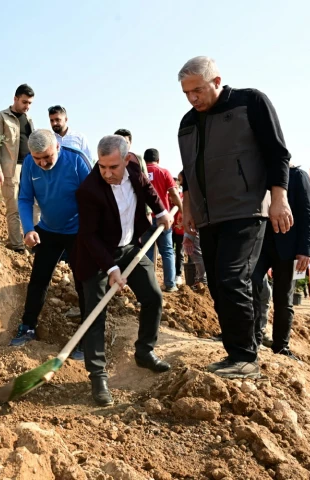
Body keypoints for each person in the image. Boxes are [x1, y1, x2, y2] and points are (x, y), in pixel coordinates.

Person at [177, 56, 293, 379]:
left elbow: (277, 152)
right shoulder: (187, 124)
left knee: (232, 277)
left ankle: (246, 357)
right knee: (216, 283)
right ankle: (234, 355)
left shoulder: (250, 102)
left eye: (197, 90)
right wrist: (188, 207)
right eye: (186, 93)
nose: (192, 98)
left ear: (216, 81)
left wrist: (279, 198)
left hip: (245, 209)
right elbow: (189, 171)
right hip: (207, 217)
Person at [73, 135, 173, 406]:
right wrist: (112, 268)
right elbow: (89, 237)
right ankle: (98, 377)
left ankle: (144, 352)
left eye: (113, 167)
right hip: (97, 258)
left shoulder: (134, 169)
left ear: (127, 159)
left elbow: (148, 190)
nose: (106, 173)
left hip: (130, 247)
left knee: (153, 296)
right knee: (95, 314)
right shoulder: (89, 190)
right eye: (102, 166)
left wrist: (161, 211)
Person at [9, 130, 90, 357]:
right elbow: (25, 198)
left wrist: (90, 233)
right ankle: (28, 327)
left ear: (57, 147)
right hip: (48, 230)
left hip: (78, 231)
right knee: (38, 280)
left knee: (83, 284)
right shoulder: (29, 163)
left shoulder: (76, 160)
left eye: (47, 157)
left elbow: (95, 197)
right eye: (38, 158)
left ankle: (87, 337)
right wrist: (29, 228)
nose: (43, 163)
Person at [252, 164, 310, 359]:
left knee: (284, 299)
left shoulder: (298, 176)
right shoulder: (259, 174)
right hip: (259, 246)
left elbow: (308, 214)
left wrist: (305, 250)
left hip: (288, 249)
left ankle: (281, 346)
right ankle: (252, 340)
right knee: (250, 287)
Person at [0, 84, 36, 253]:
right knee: (14, 208)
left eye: (30, 103)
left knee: (34, 206)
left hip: (30, 168)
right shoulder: (1, 117)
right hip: (11, 169)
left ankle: (33, 244)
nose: (27, 106)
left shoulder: (29, 119)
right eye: (24, 102)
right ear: (15, 98)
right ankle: (17, 245)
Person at [141, 148, 183, 292]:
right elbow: (173, 194)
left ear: (144, 160)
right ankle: (170, 284)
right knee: (167, 251)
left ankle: (149, 285)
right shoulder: (163, 172)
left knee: (147, 252)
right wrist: (182, 209)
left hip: (145, 219)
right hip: (162, 219)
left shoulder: (140, 173)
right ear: (158, 160)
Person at [172, 176, 185, 286]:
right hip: (170, 229)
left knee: (179, 252)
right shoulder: (168, 198)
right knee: (170, 252)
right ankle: (171, 274)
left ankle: (178, 274)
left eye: (176, 187)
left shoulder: (183, 197)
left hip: (180, 229)